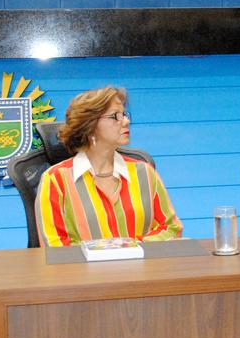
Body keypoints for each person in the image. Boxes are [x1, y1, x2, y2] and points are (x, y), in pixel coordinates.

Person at [36, 86, 182, 246]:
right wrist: (107, 251)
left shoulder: (144, 173)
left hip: (141, 262)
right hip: (82, 264)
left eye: (124, 115)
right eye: (115, 116)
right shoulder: (55, 180)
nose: (126, 121)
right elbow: (53, 245)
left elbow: (171, 228)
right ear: (90, 125)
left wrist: (128, 247)